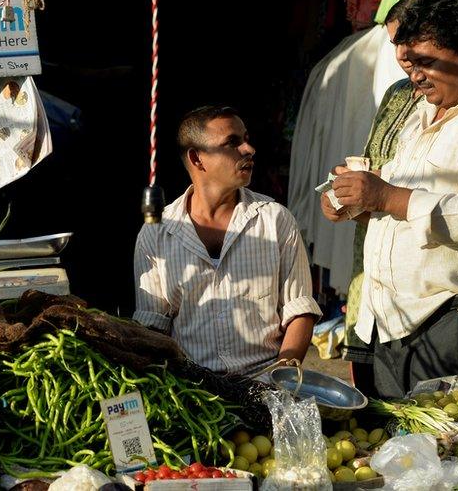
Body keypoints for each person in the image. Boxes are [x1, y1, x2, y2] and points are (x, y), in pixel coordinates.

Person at [322, 0, 458, 398]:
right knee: (387, 453)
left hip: (450, 327)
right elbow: (406, 201)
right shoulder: (423, 113)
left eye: (426, 63)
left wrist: (385, 197)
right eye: (409, 63)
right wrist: (356, 202)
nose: (414, 76)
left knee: (445, 456)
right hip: (388, 322)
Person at [133, 106, 321, 376]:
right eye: (232, 142)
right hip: (194, 389)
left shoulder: (276, 220)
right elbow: (152, 327)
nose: (249, 149)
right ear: (197, 159)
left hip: (267, 380)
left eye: (245, 138)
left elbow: (300, 310)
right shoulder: (156, 234)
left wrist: (281, 380)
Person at [344, 0, 429, 393]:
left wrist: (382, 195)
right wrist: (345, 196)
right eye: (395, 44)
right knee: (367, 388)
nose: (402, 56)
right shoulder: (397, 92)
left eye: (408, 44)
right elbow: (373, 160)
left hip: (416, 270)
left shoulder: (453, 102)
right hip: (371, 252)